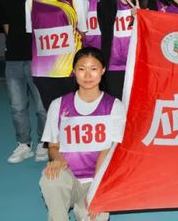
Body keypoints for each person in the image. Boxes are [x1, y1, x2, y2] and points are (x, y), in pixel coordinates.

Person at [39, 47, 126, 221]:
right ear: (73, 71)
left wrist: (97, 191)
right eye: (81, 69)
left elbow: (109, 150)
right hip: (69, 177)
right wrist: (57, 160)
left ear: (103, 71)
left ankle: (86, 207)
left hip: (97, 180)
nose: (87, 75)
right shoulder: (58, 105)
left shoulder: (114, 106)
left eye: (93, 69)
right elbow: (53, 146)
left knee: (98, 216)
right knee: (50, 178)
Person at [0, 0, 48, 163]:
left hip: (40, 61)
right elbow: (10, 32)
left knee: (42, 107)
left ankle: (44, 142)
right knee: (17, 106)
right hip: (14, 61)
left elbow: (45, 26)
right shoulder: (3, 1)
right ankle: (24, 144)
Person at [26, 0, 90, 111]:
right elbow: (31, 33)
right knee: (52, 115)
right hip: (43, 71)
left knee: (71, 115)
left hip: (69, 71)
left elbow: (83, 32)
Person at [97, 0, 157, 100]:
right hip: (113, 63)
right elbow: (103, 26)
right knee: (116, 105)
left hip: (140, 62)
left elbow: (155, 30)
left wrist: (143, 18)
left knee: (138, 104)